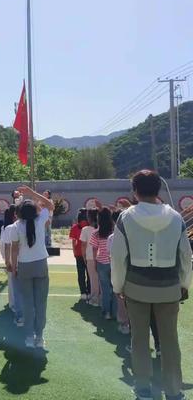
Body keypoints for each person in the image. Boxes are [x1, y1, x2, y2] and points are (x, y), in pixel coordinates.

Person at [111, 170, 192, 400]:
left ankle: (143, 388)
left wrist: (118, 286)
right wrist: (184, 284)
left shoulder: (125, 217)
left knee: (139, 340)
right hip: (169, 289)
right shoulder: (175, 217)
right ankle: (174, 390)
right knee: (169, 341)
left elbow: (118, 257)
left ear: (135, 191)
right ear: (158, 189)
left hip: (136, 288)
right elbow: (186, 256)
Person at [11, 189, 54, 350]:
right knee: (41, 302)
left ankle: (29, 336)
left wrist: (14, 266)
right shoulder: (41, 219)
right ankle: (40, 337)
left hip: (24, 266)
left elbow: (14, 249)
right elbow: (50, 205)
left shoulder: (17, 226)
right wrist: (31, 192)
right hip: (41, 264)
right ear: (35, 211)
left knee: (28, 303)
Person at [90, 207, 116, 320]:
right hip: (113, 262)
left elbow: (94, 249)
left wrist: (95, 262)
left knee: (105, 289)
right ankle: (116, 312)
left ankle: (106, 312)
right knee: (115, 289)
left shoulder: (96, 233)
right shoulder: (115, 232)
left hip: (101, 262)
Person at [1, 204, 23, 326]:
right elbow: (7, 245)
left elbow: (6, 245)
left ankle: (13, 305)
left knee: (13, 284)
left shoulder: (9, 227)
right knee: (21, 286)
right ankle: (18, 307)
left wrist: (7, 261)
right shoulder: (13, 227)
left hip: (14, 259)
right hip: (23, 260)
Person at [69, 209, 90, 300]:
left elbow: (73, 242)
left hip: (78, 253)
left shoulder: (75, 227)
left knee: (81, 274)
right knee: (90, 274)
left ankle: (83, 293)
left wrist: (74, 252)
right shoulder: (91, 226)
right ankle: (89, 291)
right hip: (89, 253)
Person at [81, 209, 100, 306]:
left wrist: (84, 256)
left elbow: (83, 245)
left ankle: (94, 299)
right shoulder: (102, 228)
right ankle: (101, 299)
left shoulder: (85, 229)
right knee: (102, 279)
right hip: (102, 257)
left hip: (90, 257)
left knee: (93, 279)